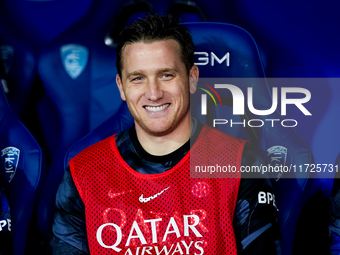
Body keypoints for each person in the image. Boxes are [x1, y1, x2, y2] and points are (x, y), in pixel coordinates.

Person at [50, 14, 281, 254]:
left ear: (192, 79)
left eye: (166, 75)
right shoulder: (83, 173)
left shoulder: (241, 165)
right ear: (121, 87)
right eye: (138, 78)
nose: (153, 93)